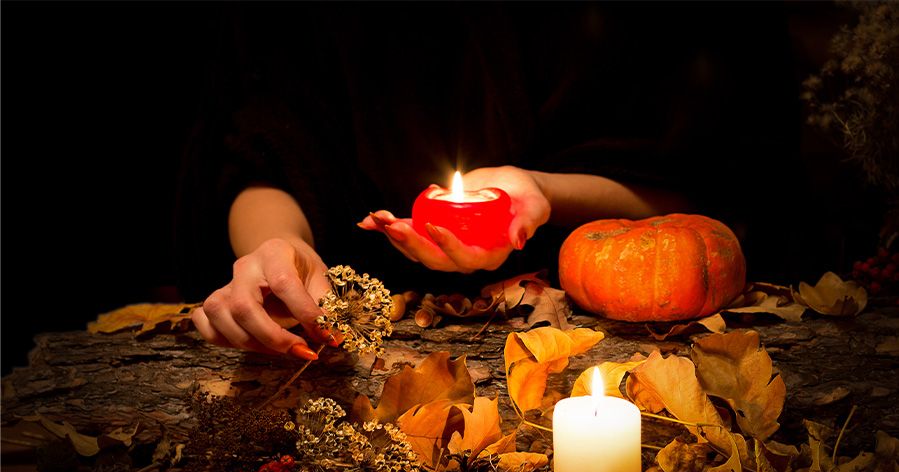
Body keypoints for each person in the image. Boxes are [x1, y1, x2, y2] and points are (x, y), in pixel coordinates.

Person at [177, 2, 796, 359]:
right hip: (361, 331)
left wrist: (544, 193)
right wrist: (278, 249)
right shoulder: (316, 24)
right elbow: (265, 148)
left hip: (589, 332)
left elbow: (694, 194)